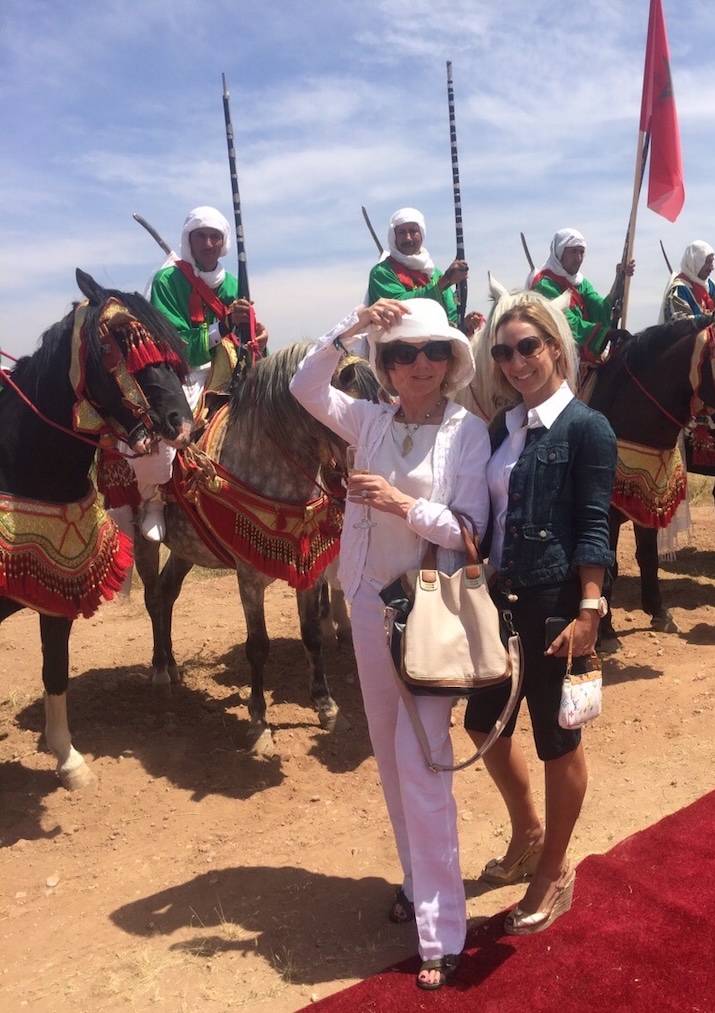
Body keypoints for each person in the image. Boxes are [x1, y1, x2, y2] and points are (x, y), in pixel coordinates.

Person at [289, 296, 489, 991]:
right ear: (386, 364)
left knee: (424, 761)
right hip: (369, 606)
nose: (418, 365)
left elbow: (469, 530)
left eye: (432, 351)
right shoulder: (368, 418)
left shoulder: (468, 432)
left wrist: (401, 505)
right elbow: (303, 386)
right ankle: (415, 879)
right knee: (388, 752)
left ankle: (444, 928)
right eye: (402, 353)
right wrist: (349, 325)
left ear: (452, 360)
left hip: (428, 612)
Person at [463, 291, 617, 936]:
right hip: (499, 601)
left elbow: (592, 525)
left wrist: (590, 608)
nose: (516, 361)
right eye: (504, 352)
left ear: (555, 346)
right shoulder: (503, 426)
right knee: (482, 723)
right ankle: (528, 829)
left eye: (528, 346)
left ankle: (554, 869)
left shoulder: (588, 428)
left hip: (558, 605)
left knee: (560, 740)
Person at [130, 206, 268, 541]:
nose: (208, 243)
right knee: (169, 429)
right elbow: (171, 342)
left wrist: (257, 336)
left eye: (215, 237)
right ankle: (155, 499)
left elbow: (246, 334)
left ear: (224, 243)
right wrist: (222, 326)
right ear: (189, 240)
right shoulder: (167, 281)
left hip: (230, 365)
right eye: (201, 236)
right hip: (185, 370)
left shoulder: (234, 284)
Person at [529, 228, 634, 362]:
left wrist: (620, 278)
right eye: (573, 252)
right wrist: (604, 334)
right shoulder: (544, 286)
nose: (579, 258)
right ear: (560, 253)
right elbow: (567, 322)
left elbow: (600, 307)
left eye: (581, 252)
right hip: (557, 358)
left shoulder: (581, 283)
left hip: (583, 357)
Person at [366, 208, 468, 327]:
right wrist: (443, 283)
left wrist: (465, 324)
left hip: (438, 343)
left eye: (413, 231)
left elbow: (450, 315)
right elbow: (399, 305)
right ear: (394, 237)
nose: (408, 237)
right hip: (397, 344)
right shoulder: (382, 272)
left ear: (421, 233)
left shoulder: (434, 273)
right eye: (402, 232)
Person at [660, 240, 715, 328]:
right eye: (708, 262)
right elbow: (681, 322)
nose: (712, 268)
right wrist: (709, 319)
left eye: (712, 262)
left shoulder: (711, 286)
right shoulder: (680, 289)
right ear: (695, 262)